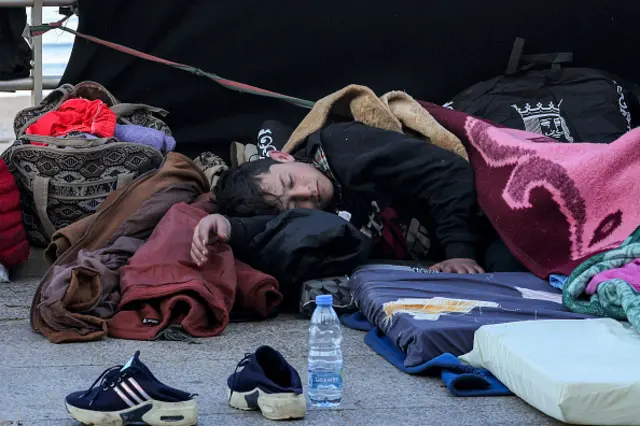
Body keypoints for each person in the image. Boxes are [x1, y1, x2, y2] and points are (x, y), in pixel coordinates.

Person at [190, 121, 524, 274]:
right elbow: (275, 229)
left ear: (283, 157)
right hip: (465, 251)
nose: (307, 193)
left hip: (492, 210)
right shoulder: (318, 216)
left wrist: (459, 252)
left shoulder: (345, 149)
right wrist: (227, 226)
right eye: (294, 203)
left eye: (292, 181)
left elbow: (447, 172)